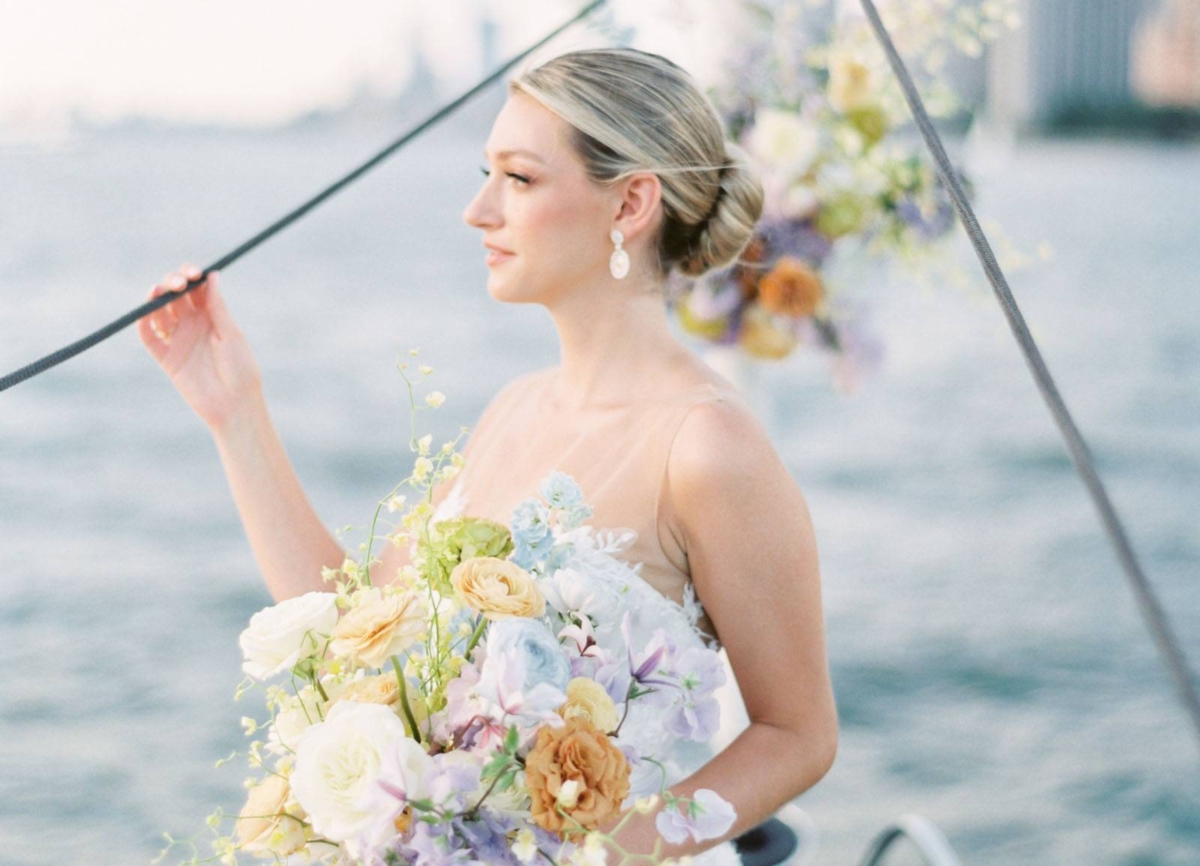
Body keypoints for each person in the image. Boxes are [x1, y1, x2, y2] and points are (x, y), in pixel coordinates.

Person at [140, 46, 837, 865]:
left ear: (632, 203)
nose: (478, 210)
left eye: (519, 178)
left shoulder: (708, 446)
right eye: (488, 173)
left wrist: (610, 853)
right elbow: (351, 634)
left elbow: (797, 734)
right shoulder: (514, 409)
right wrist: (234, 413)